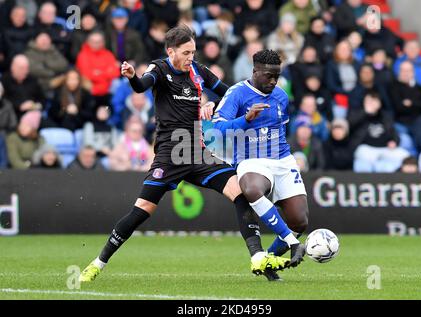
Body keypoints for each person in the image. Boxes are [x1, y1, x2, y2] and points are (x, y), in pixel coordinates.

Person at [79, 25, 300, 284]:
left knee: (241, 193)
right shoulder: (159, 69)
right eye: (186, 52)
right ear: (170, 51)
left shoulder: (198, 71)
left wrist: (214, 104)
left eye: (193, 52)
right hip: (171, 154)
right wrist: (131, 76)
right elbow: (141, 86)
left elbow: (231, 93)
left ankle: (258, 257)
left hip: (198, 153)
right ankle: (98, 263)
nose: (190, 58)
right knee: (141, 211)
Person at [213, 49, 309, 281]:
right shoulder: (236, 94)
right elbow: (216, 131)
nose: (273, 81)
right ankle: (292, 242)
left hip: (282, 159)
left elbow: (281, 128)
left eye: (277, 76)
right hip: (251, 159)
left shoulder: (281, 96)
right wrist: (245, 120)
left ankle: (267, 261)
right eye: (268, 76)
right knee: (252, 189)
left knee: (300, 220)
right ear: (254, 71)